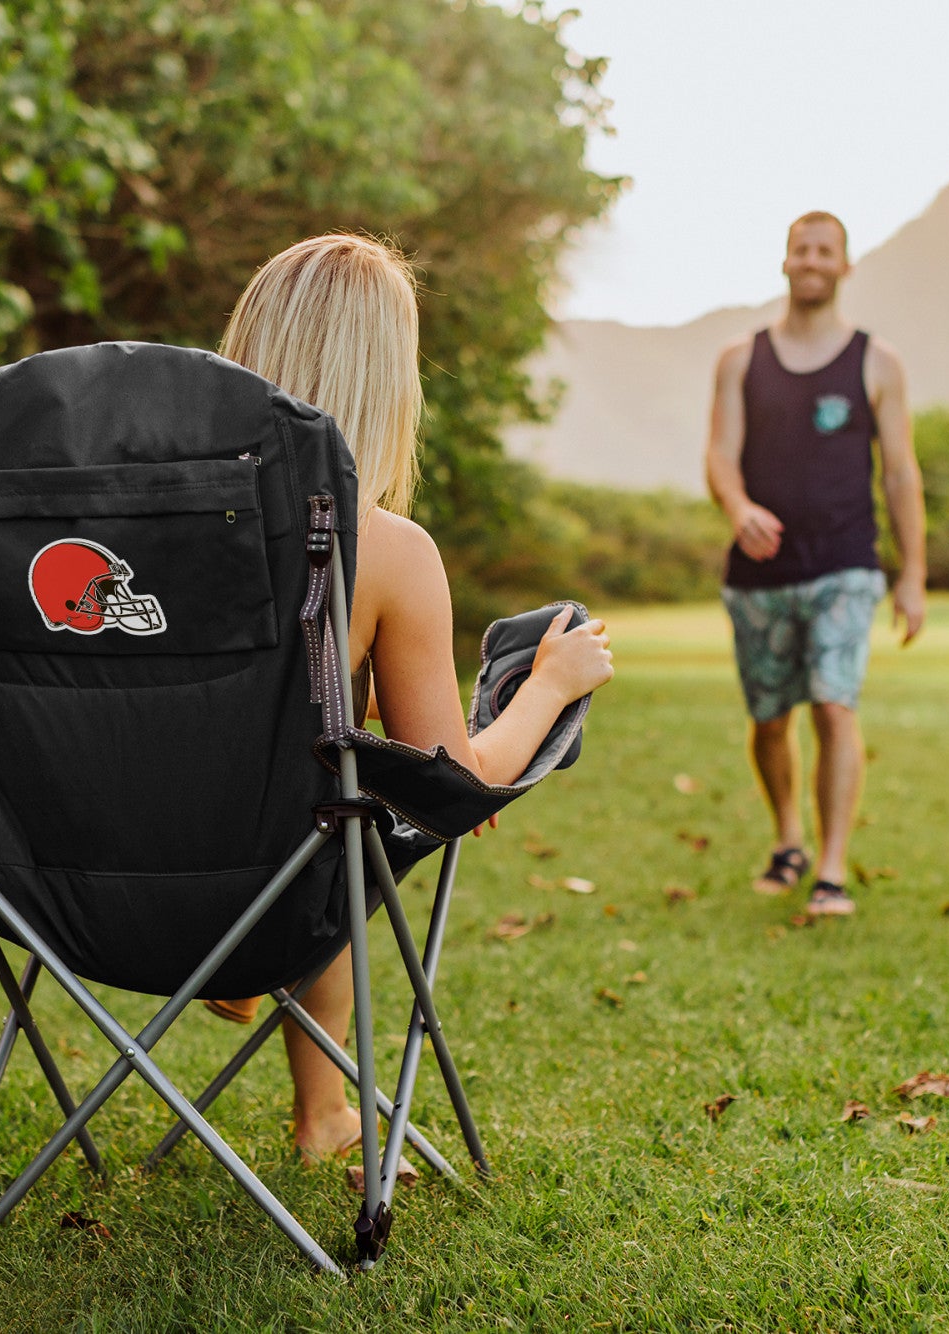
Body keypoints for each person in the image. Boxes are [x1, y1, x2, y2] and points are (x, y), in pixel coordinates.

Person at [206, 233, 617, 1165]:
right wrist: (547, 686)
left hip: (70, 882)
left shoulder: (135, 533)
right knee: (345, 825)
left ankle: (311, 1095)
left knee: (328, 806)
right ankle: (318, 1110)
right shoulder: (381, 548)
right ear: (386, 380)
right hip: (266, 890)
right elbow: (449, 784)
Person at [703, 211, 926, 918]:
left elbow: (899, 475)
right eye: (802, 248)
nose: (812, 260)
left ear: (845, 266)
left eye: (826, 250)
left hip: (845, 565)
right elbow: (718, 454)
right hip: (759, 575)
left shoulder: (876, 362)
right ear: (785, 261)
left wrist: (912, 573)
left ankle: (831, 870)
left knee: (834, 704)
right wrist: (738, 508)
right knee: (771, 720)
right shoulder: (741, 359)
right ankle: (789, 840)